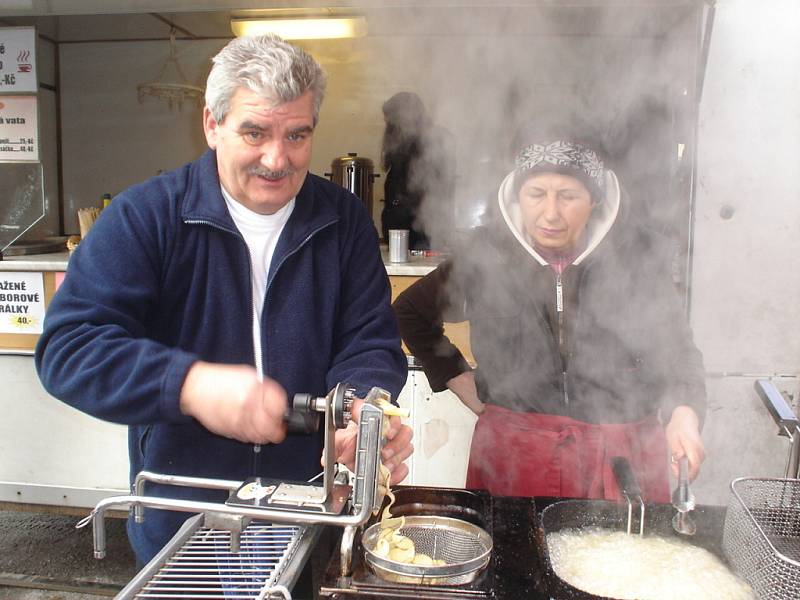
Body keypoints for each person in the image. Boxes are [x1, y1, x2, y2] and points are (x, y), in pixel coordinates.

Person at [35, 34, 412, 566]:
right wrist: (189, 385)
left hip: (311, 512)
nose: (276, 159)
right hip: (183, 517)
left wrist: (360, 411)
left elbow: (368, 339)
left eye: (297, 135)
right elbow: (69, 349)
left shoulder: (342, 219)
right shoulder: (147, 216)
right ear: (212, 125)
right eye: (253, 132)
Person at [393, 131, 706, 502]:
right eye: (536, 194)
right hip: (516, 453)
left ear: (595, 200)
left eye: (569, 196)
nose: (551, 213)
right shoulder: (488, 255)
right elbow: (409, 313)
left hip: (622, 453)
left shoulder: (638, 255)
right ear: (517, 197)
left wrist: (684, 412)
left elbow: (676, 350)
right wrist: (456, 378)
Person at [380, 92, 454, 250]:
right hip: (409, 239)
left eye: (392, 120)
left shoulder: (430, 144)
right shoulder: (404, 148)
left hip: (423, 239)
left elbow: (432, 198)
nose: (389, 126)